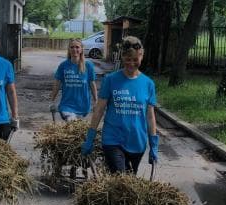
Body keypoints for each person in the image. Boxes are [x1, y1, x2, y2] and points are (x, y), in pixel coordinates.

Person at [80, 36, 159, 174]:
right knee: (120, 179)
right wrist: (90, 138)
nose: (131, 63)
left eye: (135, 60)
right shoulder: (111, 80)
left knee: (128, 182)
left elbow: (150, 116)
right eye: (128, 59)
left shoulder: (148, 84)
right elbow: (99, 110)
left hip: (137, 141)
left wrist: (154, 144)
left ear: (141, 57)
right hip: (113, 139)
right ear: (122, 57)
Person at [49, 38, 98, 121]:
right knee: (71, 121)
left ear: (81, 49)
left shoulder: (88, 65)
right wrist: (52, 100)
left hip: (83, 105)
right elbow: (57, 84)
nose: (74, 49)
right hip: (66, 105)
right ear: (69, 49)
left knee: (76, 131)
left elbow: (92, 84)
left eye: (77, 47)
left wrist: (96, 101)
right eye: (72, 47)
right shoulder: (63, 65)